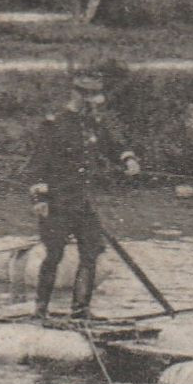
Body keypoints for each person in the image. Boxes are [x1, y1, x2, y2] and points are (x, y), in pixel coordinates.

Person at [24, 73, 140, 320]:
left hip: (83, 203)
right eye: (89, 99)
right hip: (56, 202)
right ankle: (40, 310)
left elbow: (112, 144)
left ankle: (80, 311)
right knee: (54, 255)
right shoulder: (54, 124)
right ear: (77, 95)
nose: (94, 105)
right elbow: (37, 165)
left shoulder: (92, 124)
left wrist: (127, 158)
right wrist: (40, 199)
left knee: (91, 254)